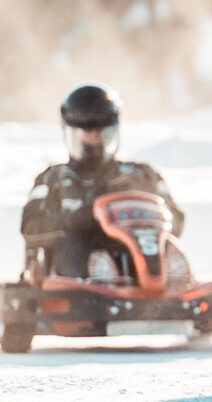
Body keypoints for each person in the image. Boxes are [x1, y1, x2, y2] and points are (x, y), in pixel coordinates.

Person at [20, 84, 186, 280]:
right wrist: (76, 221)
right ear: (71, 132)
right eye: (86, 133)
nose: (93, 140)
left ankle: (174, 292)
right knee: (72, 247)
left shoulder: (142, 175)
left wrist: (138, 218)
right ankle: (98, 288)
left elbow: (175, 220)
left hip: (138, 262)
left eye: (100, 133)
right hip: (74, 277)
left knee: (166, 245)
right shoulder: (52, 179)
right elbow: (30, 230)